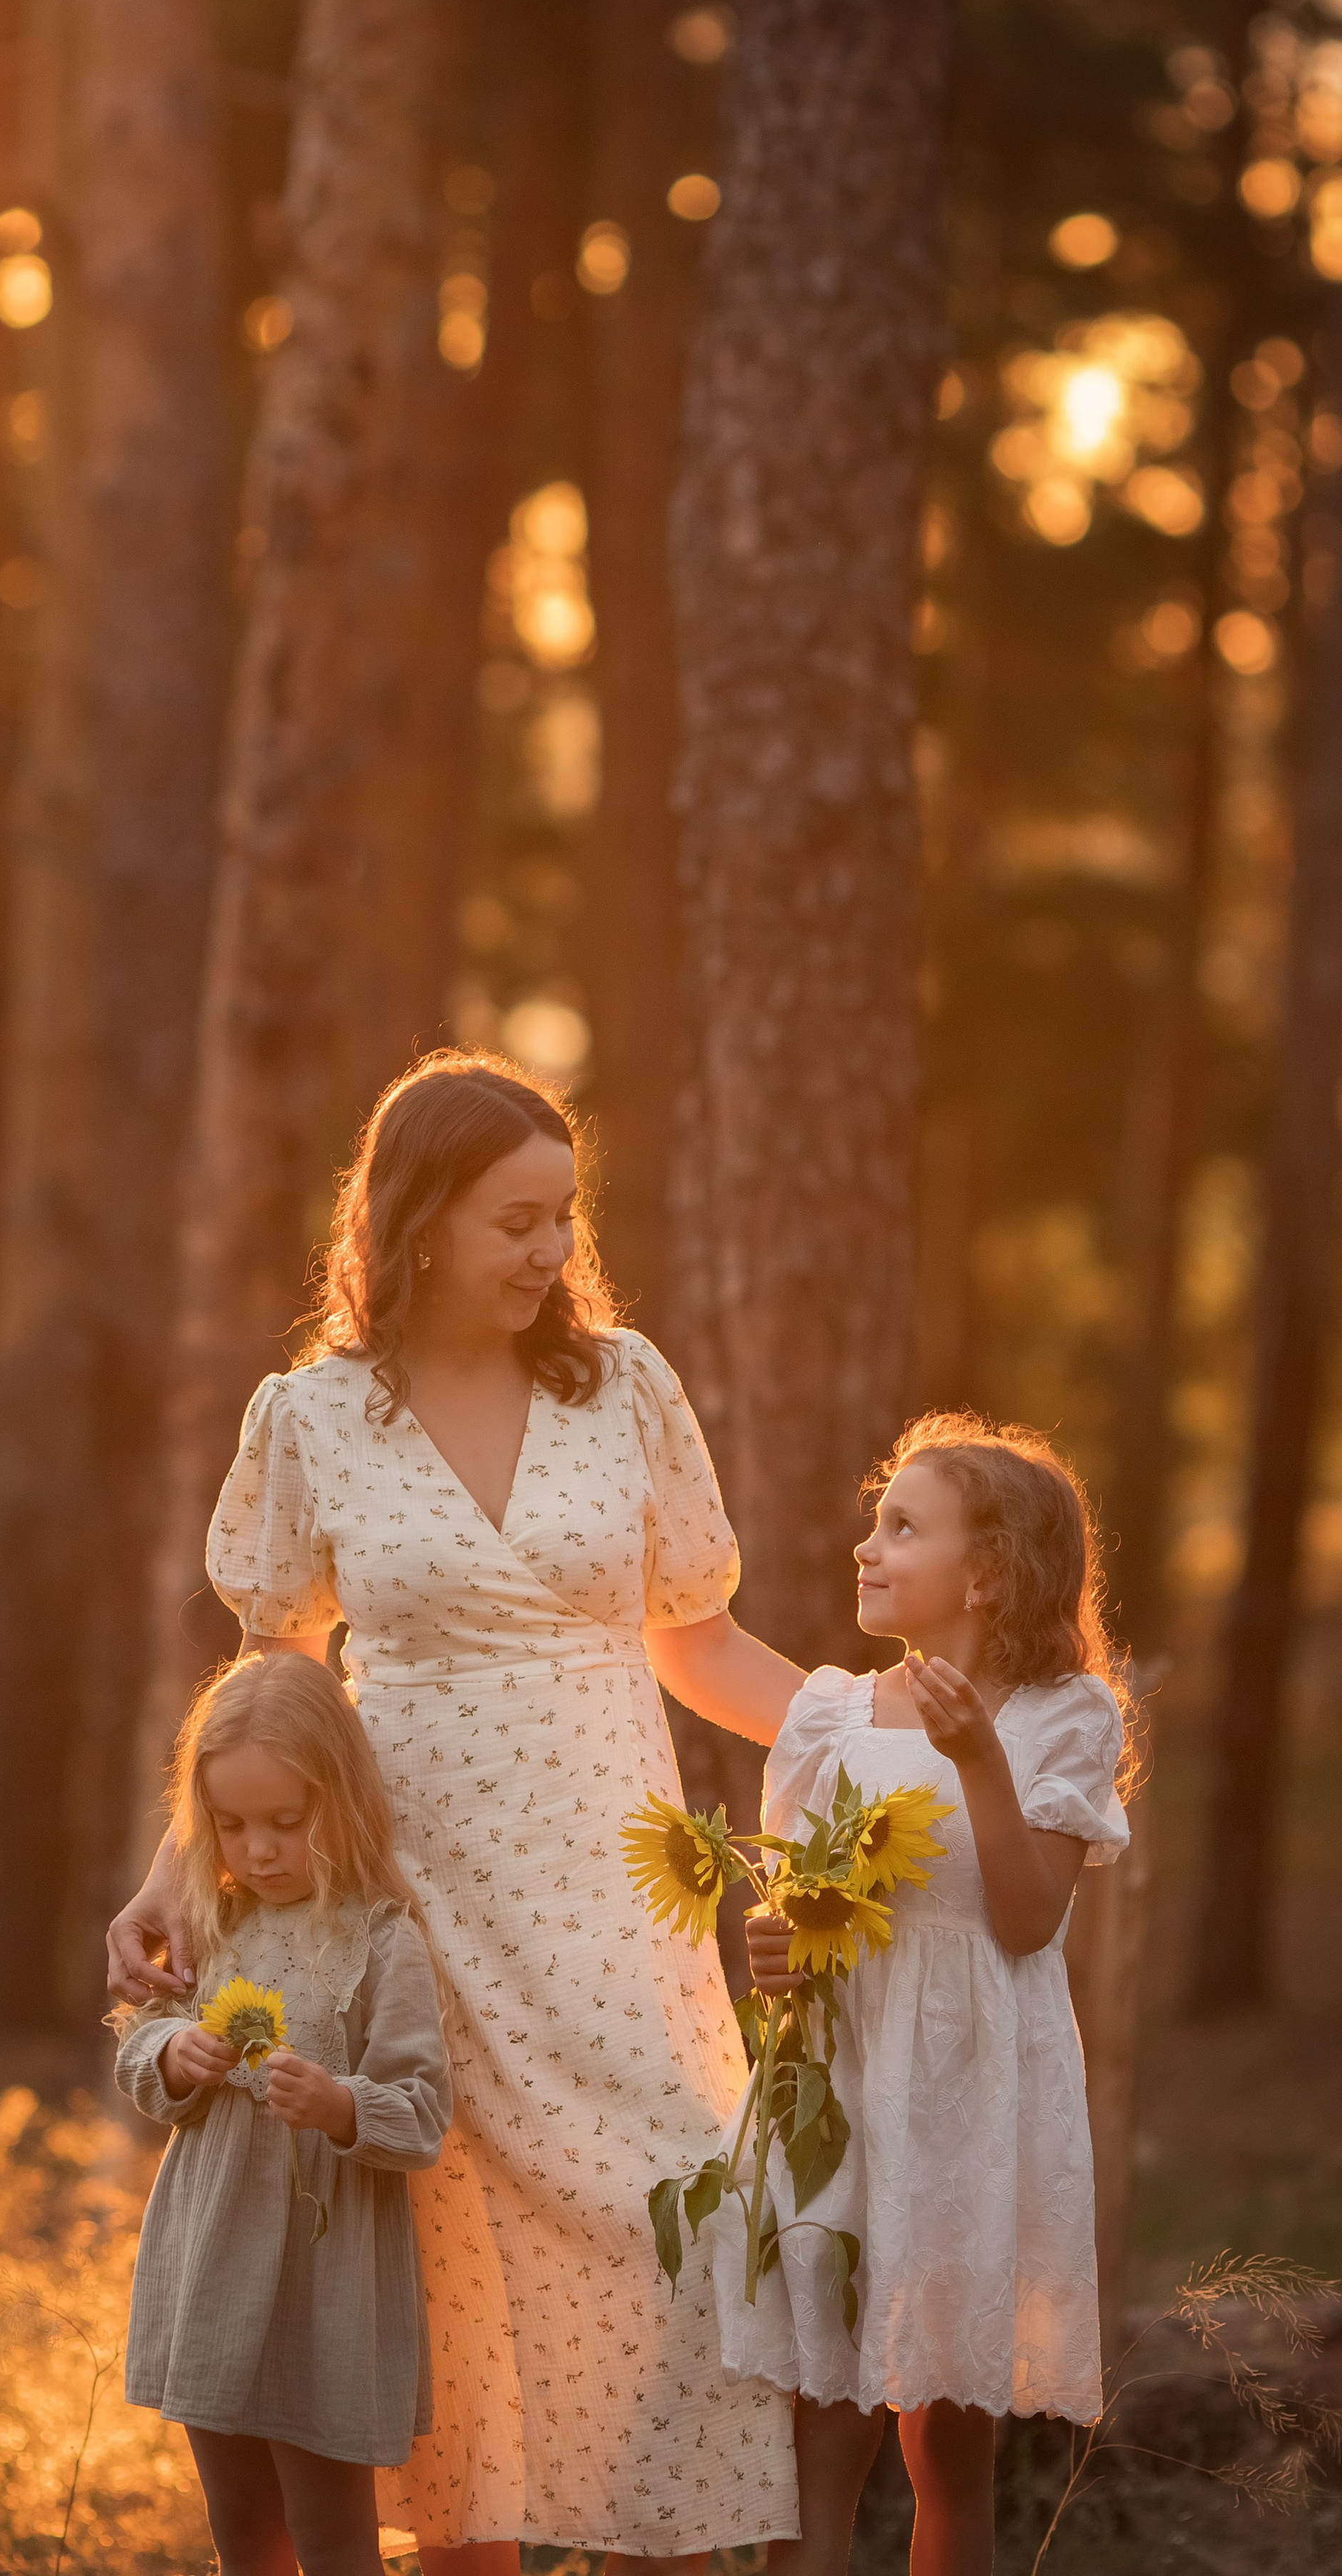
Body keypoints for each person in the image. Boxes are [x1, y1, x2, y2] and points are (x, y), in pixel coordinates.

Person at [110, 1048, 806, 2572]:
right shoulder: (312, 1416)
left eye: (564, 1217)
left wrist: (865, 1735)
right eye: (515, 1220)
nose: (552, 1251)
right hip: (402, 1904)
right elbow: (274, 1670)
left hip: (612, 1895)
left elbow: (694, 1639)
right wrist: (180, 1870)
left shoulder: (624, 1387)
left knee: (667, 2225)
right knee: (440, 2276)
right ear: (416, 1219)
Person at [727, 1413, 1137, 2576]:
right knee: (820, 2426)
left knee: (948, 2445)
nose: (868, 1546)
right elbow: (807, 1919)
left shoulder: (1064, 1718)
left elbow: (1023, 1920)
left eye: (902, 1527)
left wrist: (979, 1761)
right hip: (846, 2088)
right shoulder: (833, 1719)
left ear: (991, 1570)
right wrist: (774, 1949)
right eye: (875, 1522)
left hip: (969, 2098)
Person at [114, 1650, 452, 2576]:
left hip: (327, 2271)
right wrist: (173, 2057)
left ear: (340, 1803)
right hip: (214, 2258)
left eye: (285, 1823)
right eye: (230, 1825)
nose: (256, 1850)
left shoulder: (382, 1938)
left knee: (336, 2534)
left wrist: (343, 2104)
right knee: (240, 2524)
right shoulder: (211, 1920)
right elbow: (140, 2046)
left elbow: (423, 2112)